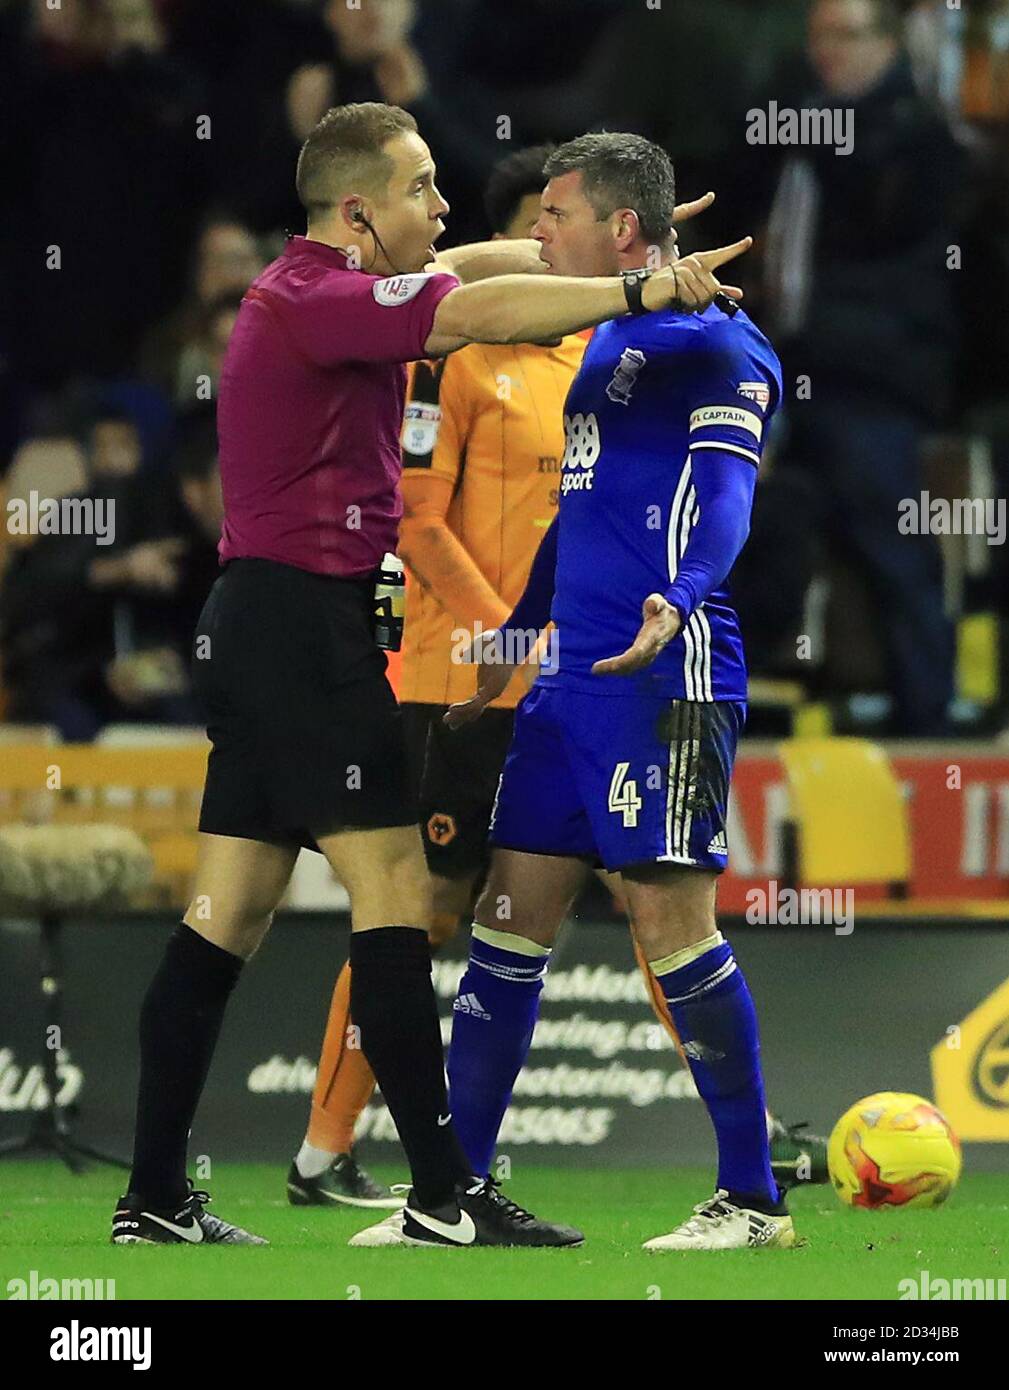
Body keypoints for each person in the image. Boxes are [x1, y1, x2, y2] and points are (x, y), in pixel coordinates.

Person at [110, 101, 750, 1250]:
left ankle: (153, 1196)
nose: (441, 207)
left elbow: (470, 264)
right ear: (358, 212)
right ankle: (446, 1192)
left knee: (227, 914)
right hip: (307, 633)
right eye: (419, 189)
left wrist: (625, 240)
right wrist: (636, 291)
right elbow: (477, 305)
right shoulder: (321, 303)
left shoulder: (312, 290)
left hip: (262, 627)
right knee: (400, 894)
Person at [291, 144, 827, 1211]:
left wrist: (677, 592)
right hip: (560, 686)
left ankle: (750, 1197)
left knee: (672, 927)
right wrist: (511, 649)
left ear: (622, 230)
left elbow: (725, 497)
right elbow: (570, 520)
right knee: (502, 922)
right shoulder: (600, 338)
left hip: (659, 673)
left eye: (556, 214)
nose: (538, 233)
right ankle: (455, 1197)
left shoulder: (717, 344)